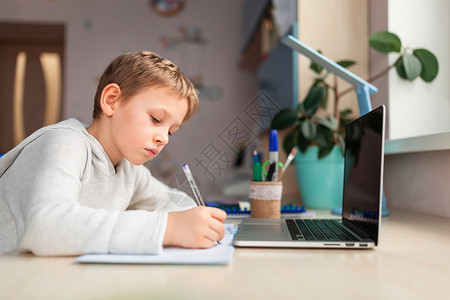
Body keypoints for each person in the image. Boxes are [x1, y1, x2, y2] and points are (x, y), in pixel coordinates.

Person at [0, 51, 226, 256]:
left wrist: (199, 220)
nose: (164, 138)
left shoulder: (129, 170)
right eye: (156, 119)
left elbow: (171, 201)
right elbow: (45, 228)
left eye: (171, 131)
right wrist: (168, 228)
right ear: (111, 101)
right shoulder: (64, 143)